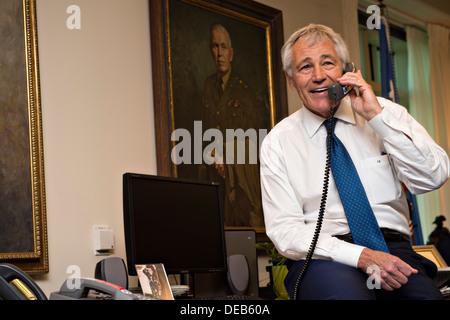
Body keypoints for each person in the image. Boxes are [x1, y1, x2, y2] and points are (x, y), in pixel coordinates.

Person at [260, 23, 450, 300]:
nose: (319, 76)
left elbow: (432, 177)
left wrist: (377, 118)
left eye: (328, 63)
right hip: (324, 258)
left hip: (393, 248)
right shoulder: (278, 142)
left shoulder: (387, 112)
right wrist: (360, 256)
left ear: (347, 70)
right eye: (305, 67)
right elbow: (285, 232)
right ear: (291, 81)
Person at [200, 23, 267, 227]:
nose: (219, 53)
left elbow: (254, 139)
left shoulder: (244, 91)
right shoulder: (208, 86)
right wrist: (213, 156)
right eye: (215, 46)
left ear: (231, 53)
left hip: (239, 182)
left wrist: (227, 155)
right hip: (215, 179)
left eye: (223, 47)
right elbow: (203, 132)